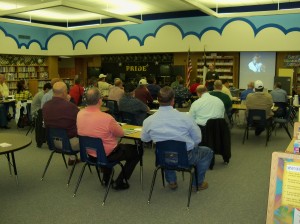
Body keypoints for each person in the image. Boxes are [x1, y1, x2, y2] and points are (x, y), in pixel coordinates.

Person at [141, 86, 213, 190]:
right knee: (208, 152)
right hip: (186, 158)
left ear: (158, 100)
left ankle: (172, 182)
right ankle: (197, 183)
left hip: (163, 158)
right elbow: (198, 139)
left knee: (166, 150)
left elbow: (145, 139)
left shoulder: (148, 120)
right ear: (173, 100)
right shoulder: (186, 118)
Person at [77, 87, 139, 190]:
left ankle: (107, 179)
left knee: (104, 146)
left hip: (89, 153)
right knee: (137, 151)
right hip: (107, 155)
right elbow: (121, 133)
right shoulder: (107, 118)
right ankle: (120, 182)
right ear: (100, 100)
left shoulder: (79, 114)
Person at [42, 81, 80, 165]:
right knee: (91, 136)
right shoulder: (71, 107)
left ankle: (72, 158)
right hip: (69, 144)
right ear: (64, 92)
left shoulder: (45, 106)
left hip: (53, 142)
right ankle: (97, 161)